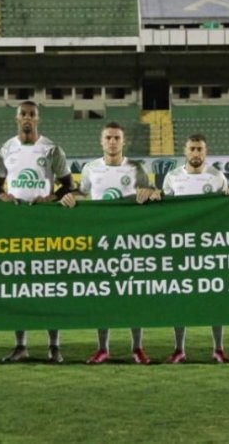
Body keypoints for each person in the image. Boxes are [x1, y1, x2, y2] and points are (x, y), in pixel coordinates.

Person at [60, 122, 160, 364]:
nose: (112, 142)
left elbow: (151, 192)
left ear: (123, 141)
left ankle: (137, 347)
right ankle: (102, 348)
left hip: (129, 241)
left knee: (133, 294)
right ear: (101, 141)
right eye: (108, 138)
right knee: (103, 295)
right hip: (101, 241)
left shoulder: (136, 169)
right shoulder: (90, 169)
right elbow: (83, 193)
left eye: (117, 137)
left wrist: (151, 192)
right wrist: (70, 197)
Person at [0, 101, 73, 363]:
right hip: (16, 226)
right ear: (16, 119)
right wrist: (6, 199)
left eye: (32, 115)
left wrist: (49, 199)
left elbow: (68, 187)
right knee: (20, 286)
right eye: (23, 115)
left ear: (38, 119)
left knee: (49, 285)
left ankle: (54, 345)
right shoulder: (5, 149)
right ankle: (21, 344)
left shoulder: (51, 149)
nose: (27, 119)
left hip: (46, 226)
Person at [160, 134, 229, 363]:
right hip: (181, 250)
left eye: (200, 149)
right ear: (185, 151)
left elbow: (227, 210)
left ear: (205, 152)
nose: (196, 153)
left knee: (214, 298)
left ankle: (218, 348)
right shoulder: (172, 178)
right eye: (192, 149)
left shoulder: (217, 177)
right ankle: (179, 349)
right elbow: (164, 213)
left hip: (209, 250)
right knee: (180, 299)